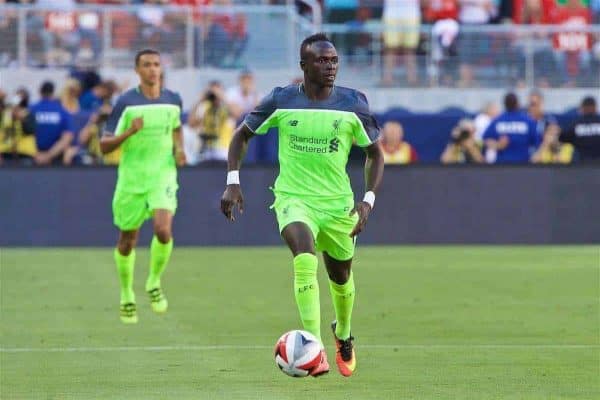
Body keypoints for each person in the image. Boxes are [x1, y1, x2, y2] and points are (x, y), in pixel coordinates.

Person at [221, 33, 384, 378]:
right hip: (293, 198)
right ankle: (315, 348)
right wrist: (233, 181)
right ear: (304, 65)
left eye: (334, 60)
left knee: (341, 278)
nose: (330, 66)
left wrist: (367, 201)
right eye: (322, 60)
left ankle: (343, 335)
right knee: (304, 257)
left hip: (339, 206)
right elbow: (241, 135)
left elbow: (375, 154)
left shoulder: (354, 103)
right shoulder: (281, 100)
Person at [100, 49, 186, 324]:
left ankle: (153, 281)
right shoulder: (125, 103)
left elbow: (176, 127)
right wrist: (129, 132)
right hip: (132, 179)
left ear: (161, 69)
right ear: (137, 70)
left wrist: (180, 149)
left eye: (156, 65)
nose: (152, 69)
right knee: (128, 241)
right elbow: (104, 146)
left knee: (163, 230)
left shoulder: (174, 100)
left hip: (162, 175)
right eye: (146, 65)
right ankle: (127, 293)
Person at [483, 92, 538, 163]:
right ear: (517, 104)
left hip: (502, 165)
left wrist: (497, 145)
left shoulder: (498, 120)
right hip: (523, 165)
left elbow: (486, 140)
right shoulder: (528, 121)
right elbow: (536, 142)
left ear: (505, 104)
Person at [29, 81, 74, 165]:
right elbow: (67, 137)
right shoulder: (62, 112)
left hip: (32, 158)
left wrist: (37, 154)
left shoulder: (30, 109)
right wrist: (49, 155)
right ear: (53, 93)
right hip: (54, 160)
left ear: (40, 92)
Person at [559, 96, 600, 161]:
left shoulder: (576, 123)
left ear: (582, 108)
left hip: (580, 166)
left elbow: (562, 138)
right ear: (595, 107)